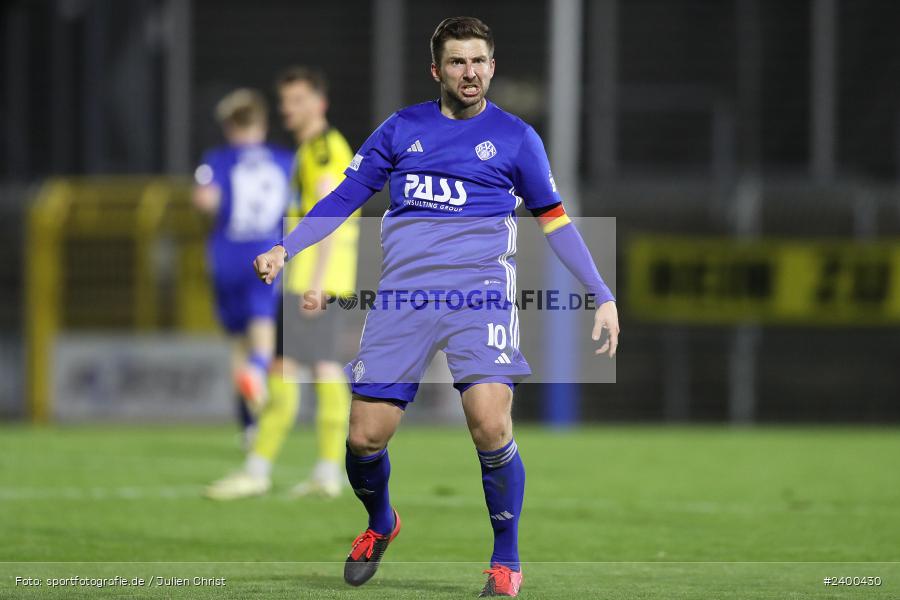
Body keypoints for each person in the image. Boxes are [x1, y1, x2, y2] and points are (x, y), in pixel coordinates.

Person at [253, 17, 620, 597]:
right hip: (403, 299)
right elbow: (345, 196)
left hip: (482, 298)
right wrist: (285, 246)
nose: (469, 72)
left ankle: (505, 560)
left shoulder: (518, 138)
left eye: (478, 61)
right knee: (364, 440)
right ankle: (381, 523)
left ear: (492, 67)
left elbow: (555, 220)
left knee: (490, 422)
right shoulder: (402, 129)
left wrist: (602, 293)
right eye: (457, 62)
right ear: (437, 70)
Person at [205, 68, 360, 500]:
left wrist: (314, 283)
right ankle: (319, 472)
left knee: (306, 370)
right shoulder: (311, 149)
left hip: (316, 280)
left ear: (318, 104)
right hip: (315, 278)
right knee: (298, 370)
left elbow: (332, 212)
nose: (287, 110)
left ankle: (269, 470)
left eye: (296, 101)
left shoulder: (325, 151)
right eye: (285, 102)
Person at [192, 89, 292, 459]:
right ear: (262, 123)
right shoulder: (285, 160)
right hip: (265, 254)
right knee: (262, 333)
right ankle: (257, 371)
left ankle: (249, 429)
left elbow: (204, 199)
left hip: (224, 257)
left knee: (238, 342)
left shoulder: (218, 159)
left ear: (230, 125)